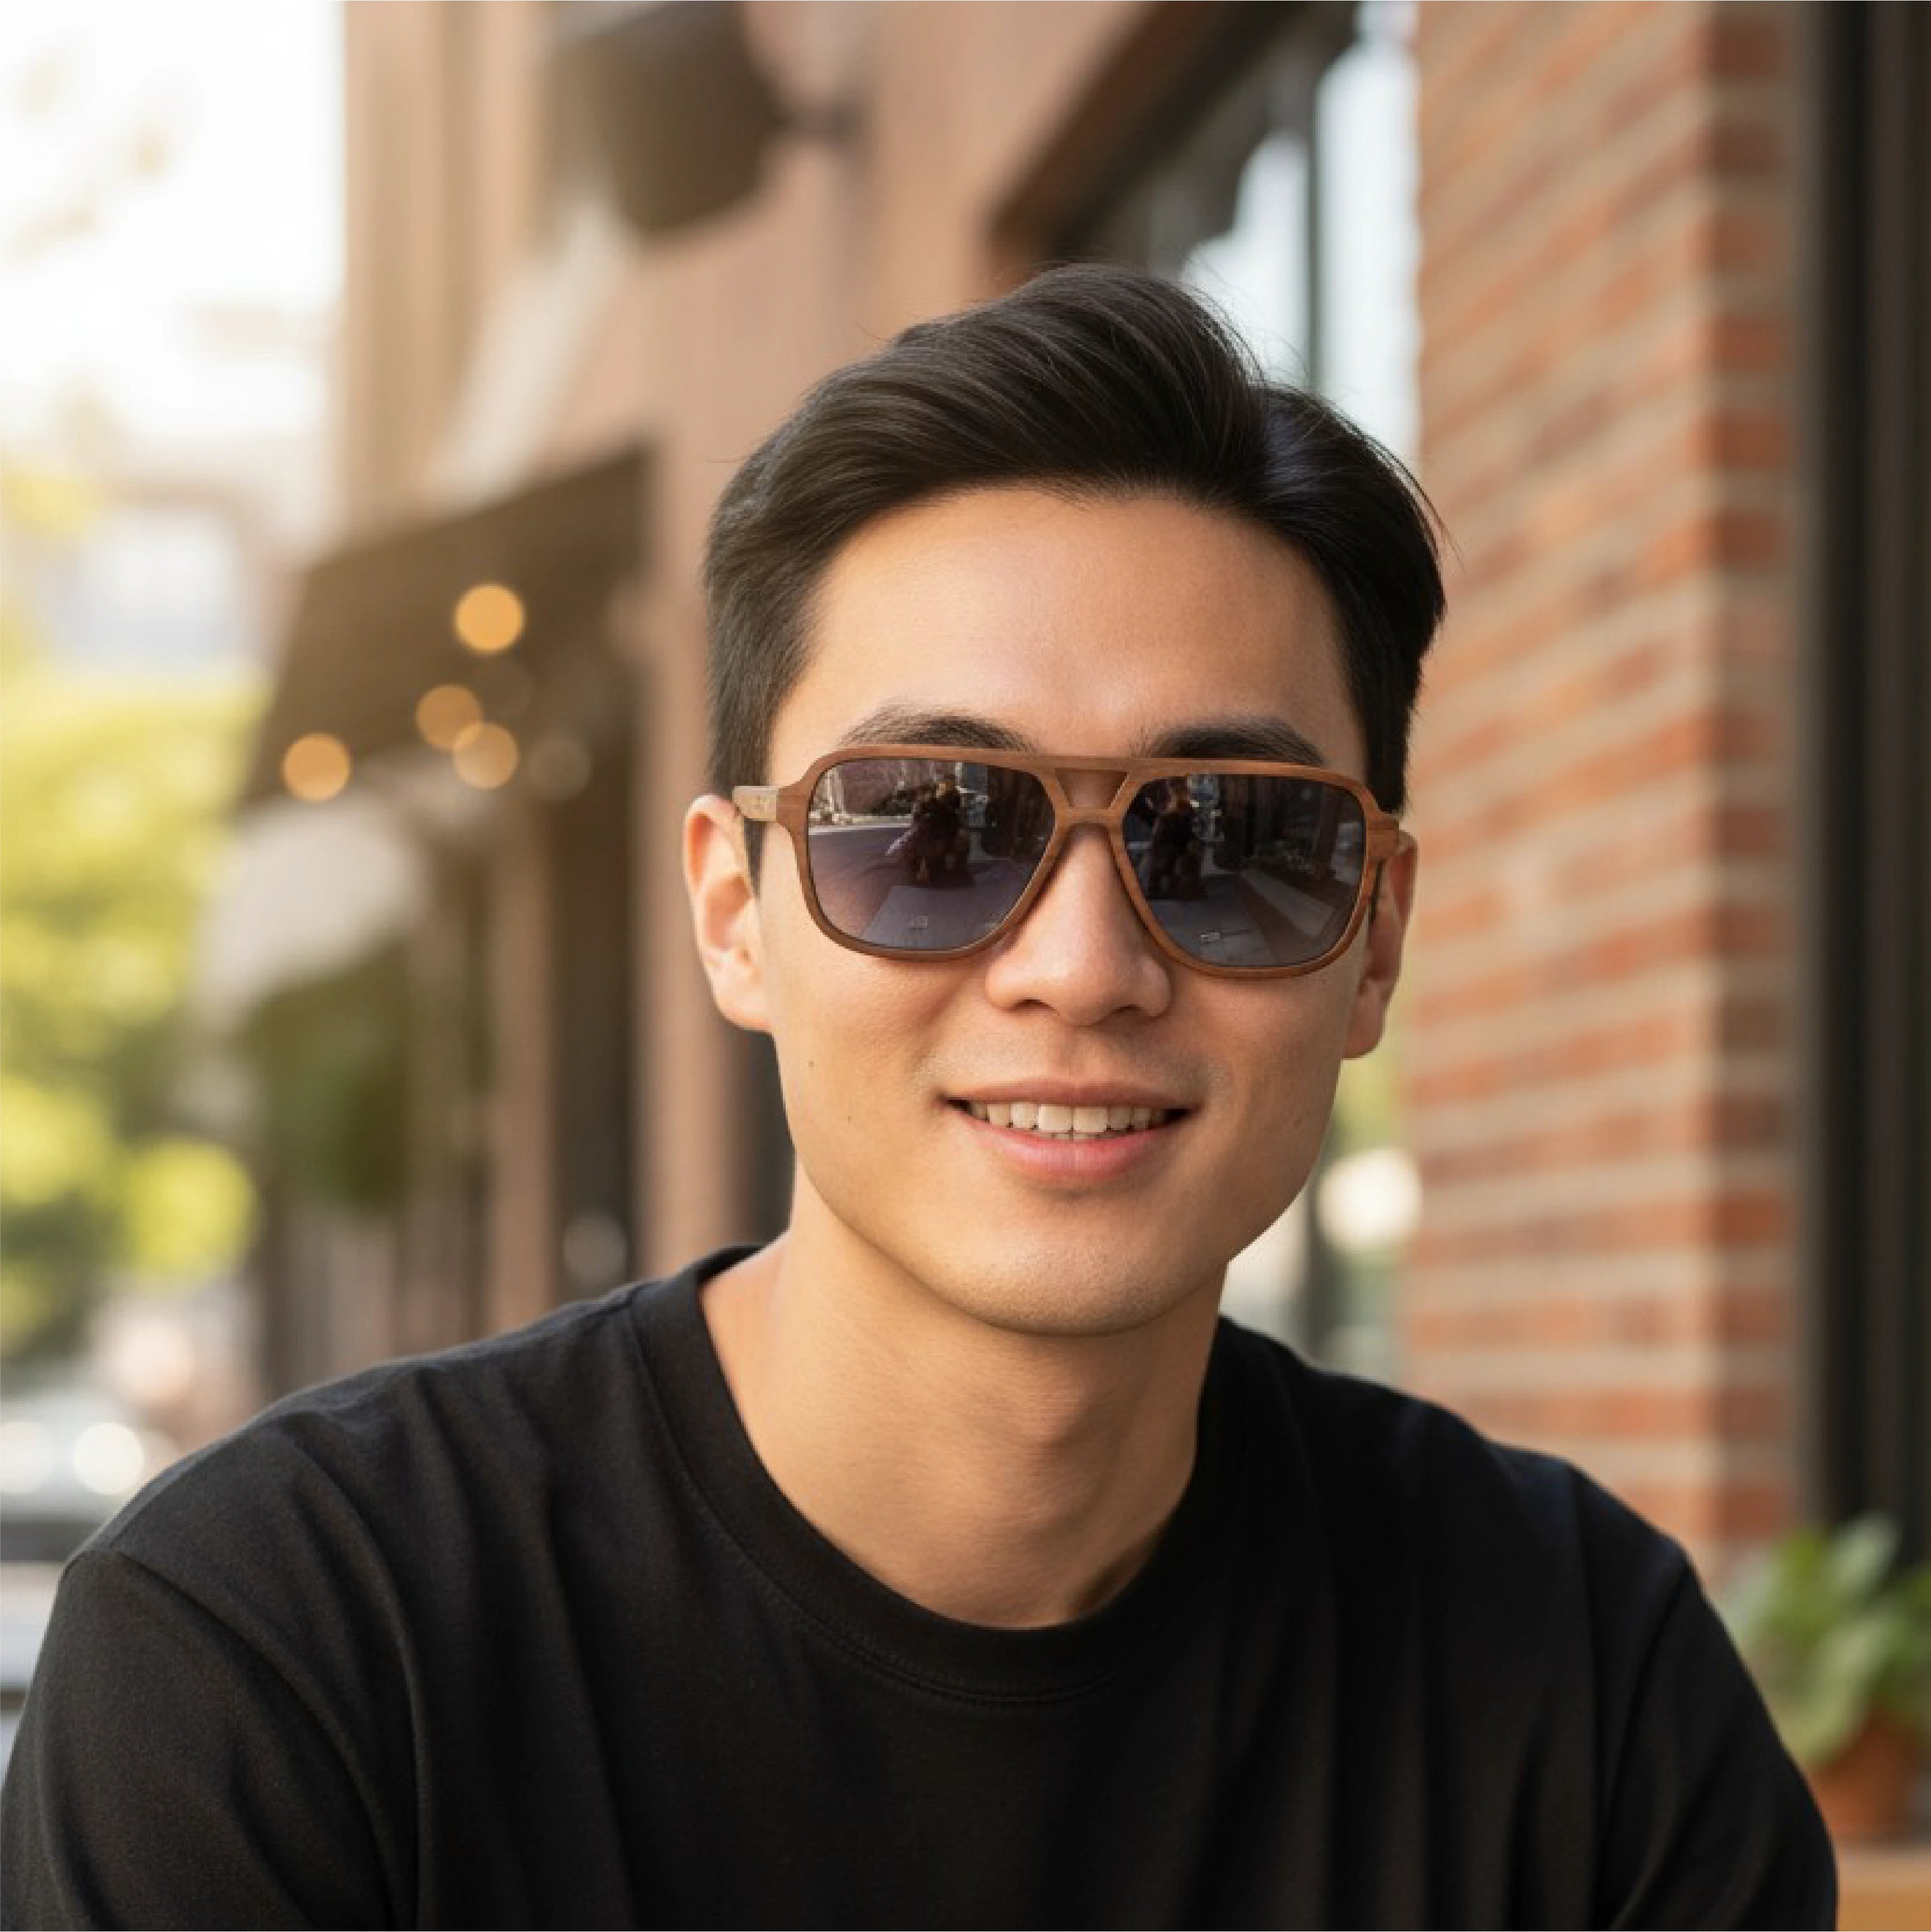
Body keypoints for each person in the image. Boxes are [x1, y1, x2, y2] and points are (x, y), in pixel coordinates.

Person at [1, 266, 1833, 1929]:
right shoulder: (292, 1652)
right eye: (936, 827)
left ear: (1371, 943)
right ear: (736, 914)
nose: (1084, 963)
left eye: (1236, 843)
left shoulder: (1579, 1677)